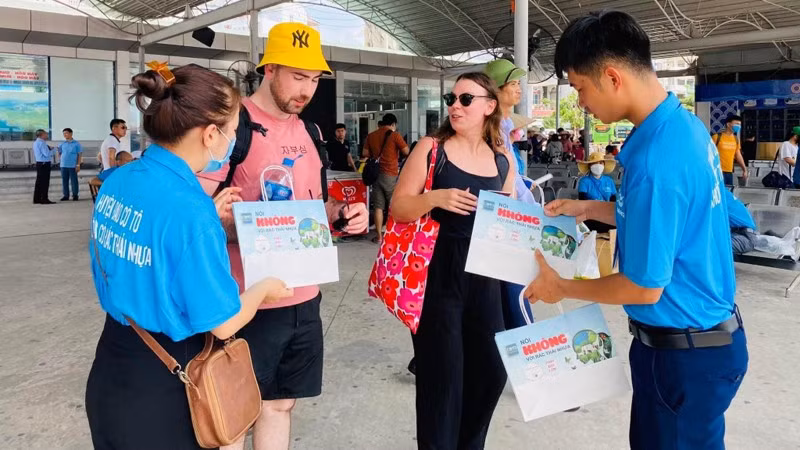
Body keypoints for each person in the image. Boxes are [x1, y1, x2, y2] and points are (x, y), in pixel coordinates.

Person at [526, 11, 748, 450]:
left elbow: (643, 288)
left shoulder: (655, 162)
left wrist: (561, 287)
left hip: (683, 357)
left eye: (580, 88)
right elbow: (666, 220)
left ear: (612, 77)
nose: (581, 102)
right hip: (705, 344)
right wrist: (589, 207)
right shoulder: (682, 127)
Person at [85, 63, 293, 450]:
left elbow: (145, 242)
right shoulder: (191, 212)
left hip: (113, 364)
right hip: (167, 385)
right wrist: (264, 288)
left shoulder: (120, 179)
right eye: (233, 131)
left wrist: (203, 220)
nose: (234, 140)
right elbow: (223, 323)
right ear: (210, 134)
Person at [197, 23, 368, 450]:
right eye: (297, 76)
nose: (307, 90)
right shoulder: (230, 127)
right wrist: (247, 227)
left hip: (303, 296)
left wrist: (341, 215)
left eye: (314, 79)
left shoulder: (310, 132)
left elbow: (315, 207)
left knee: (280, 404)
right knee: (233, 413)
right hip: (243, 299)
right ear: (269, 69)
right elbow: (194, 218)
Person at [391, 72, 515, 450]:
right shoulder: (432, 149)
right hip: (437, 270)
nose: (454, 107)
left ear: (489, 106)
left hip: (485, 273)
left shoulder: (502, 160)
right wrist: (435, 198)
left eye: (466, 99)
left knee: (491, 372)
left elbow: (509, 221)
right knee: (442, 380)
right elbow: (399, 207)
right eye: (451, 99)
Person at [361, 112, 409, 243]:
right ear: (393, 124)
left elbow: (365, 153)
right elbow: (406, 151)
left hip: (376, 175)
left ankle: (379, 237)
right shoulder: (395, 135)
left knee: (378, 206)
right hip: (390, 175)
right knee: (393, 206)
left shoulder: (371, 135)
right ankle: (393, 236)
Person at [712, 114, 747, 185]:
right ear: (728, 124)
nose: (739, 126)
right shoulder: (716, 137)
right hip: (716, 171)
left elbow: (738, 155)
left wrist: (744, 169)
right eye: (736, 124)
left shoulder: (736, 139)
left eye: (740, 124)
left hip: (729, 171)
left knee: (728, 190)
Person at [58, 128, 82, 201]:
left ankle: (75, 195)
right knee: (64, 181)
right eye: (64, 133)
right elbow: (59, 153)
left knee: (74, 181)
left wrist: (78, 165)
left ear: (71, 133)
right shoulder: (62, 143)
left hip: (72, 165)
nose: (65, 135)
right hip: (63, 165)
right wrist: (61, 160)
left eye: (66, 133)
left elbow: (79, 155)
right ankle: (66, 195)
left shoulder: (76, 144)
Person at [32, 129, 55, 205]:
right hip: (44, 164)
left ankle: (37, 198)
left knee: (39, 182)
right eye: (45, 134)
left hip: (39, 163)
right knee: (44, 182)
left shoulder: (36, 142)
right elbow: (46, 154)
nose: (47, 135)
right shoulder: (42, 143)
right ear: (41, 135)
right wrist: (52, 150)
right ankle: (44, 199)